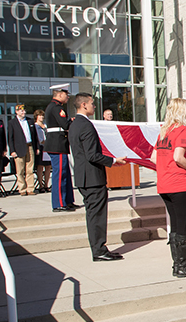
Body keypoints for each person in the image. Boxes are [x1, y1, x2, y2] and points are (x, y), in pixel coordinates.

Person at [69, 93, 127, 262]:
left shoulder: (75, 124)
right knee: (97, 216)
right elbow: (92, 155)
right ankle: (99, 249)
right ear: (84, 105)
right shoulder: (85, 125)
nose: (95, 106)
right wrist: (113, 160)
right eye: (93, 104)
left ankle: (99, 248)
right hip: (92, 178)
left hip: (84, 176)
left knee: (93, 215)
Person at [151, 98, 186, 278]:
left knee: (174, 226)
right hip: (178, 183)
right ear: (182, 112)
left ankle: (177, 265)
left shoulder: (163, 132)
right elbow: (179, 157)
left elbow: (153, 158)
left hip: (164, 184)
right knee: (182, 227)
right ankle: (182, 266)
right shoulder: (183, 130)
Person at [45, 84, 76, 212]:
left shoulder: (55, 107)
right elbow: (65, 124)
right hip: (57, 144)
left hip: (59, 144)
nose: (68, 97)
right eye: (66, 94)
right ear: (59, 94)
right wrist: (74, 121)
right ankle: (58, 203)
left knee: (66, 174)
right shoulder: (56, 108)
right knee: (60, 175)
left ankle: (67, 200)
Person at [7, 104, 38, 196]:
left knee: (30, 169)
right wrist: (12, 150)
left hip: (30, 146)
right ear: (16, 112)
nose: (23, 112)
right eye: (21, 110)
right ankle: (22, 189)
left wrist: (36, 148)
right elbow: (10, 138)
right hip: (19, 148)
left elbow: (35, 136)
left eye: (24, 110)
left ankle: (30, 188)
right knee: (20, 170)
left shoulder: (30, 121)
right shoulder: (12, 122)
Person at [33, 110, 51, 194]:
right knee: (40, 166)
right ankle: (40, 185)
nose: (41, 117)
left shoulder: (45, 126)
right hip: (40, 146)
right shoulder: (35, 126)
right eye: (39, 115)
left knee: (48, 166)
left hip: (47, 146)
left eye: (42, 115)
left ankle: (46, 185)